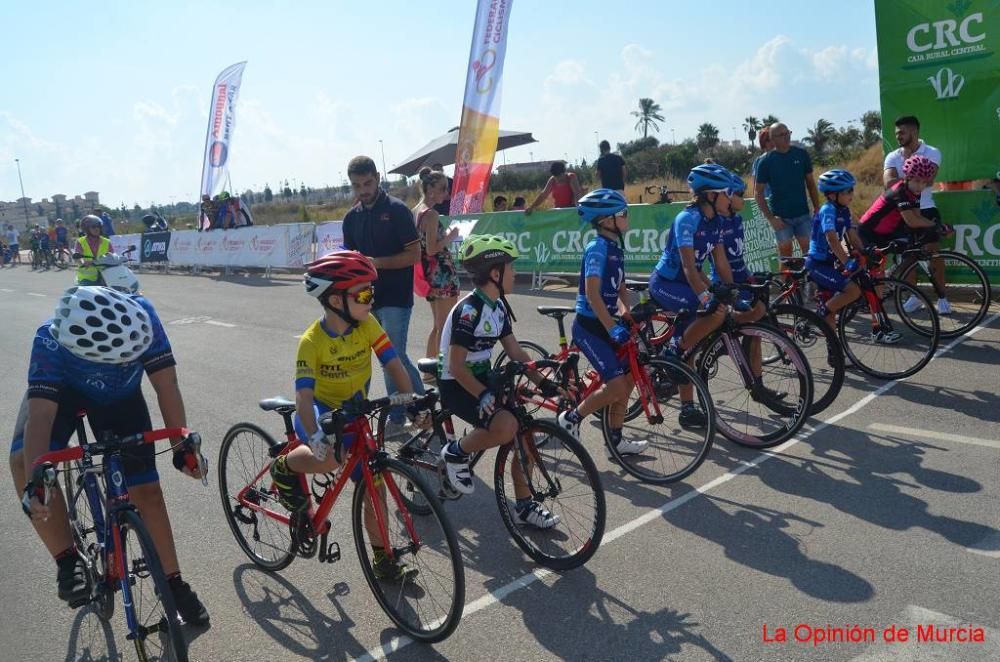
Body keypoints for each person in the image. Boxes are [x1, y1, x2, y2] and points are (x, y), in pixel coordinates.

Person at [10, 285, 208, 623]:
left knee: (149, 493)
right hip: (63, 395)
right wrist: (36, 480)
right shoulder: (49, 339)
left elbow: (166, 385)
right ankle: (67, 559)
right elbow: (41, 415)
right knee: (23, 462)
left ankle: (173, 584)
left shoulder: (144, 318)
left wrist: (181, 447)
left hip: (121, 400)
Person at [268, 251, 422, 580]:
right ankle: (284, 466)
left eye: (371, 292)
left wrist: (411, 402)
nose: (371, 300)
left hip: (355, 412)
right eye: (364, 294)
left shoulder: (367, 324)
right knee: (329, 459)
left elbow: (394, 366)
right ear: (337, 300)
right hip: (319, 412)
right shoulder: (312, 341)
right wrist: (315, 437)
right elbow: (303, 398)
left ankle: (382, 559)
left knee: (375, 486)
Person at [436, 235, 564, 527]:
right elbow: (457, 367)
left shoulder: (497, 307)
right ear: (495, 273)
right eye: (510, 267)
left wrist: (544, 382)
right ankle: (456, 452)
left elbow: (515, 351)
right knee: (506, 426)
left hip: (480, 374)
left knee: (525, 429)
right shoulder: (470, 311)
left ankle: (524, 506)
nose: (515, 273)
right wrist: (482, 395)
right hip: (457, 381)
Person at [554, 190, 648, 456]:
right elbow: (593, 295)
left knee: (629, 378)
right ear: (607, 221)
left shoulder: (616, 248)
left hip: (606, 323)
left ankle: (615, 441)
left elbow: (620, 287)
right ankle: (571, 418)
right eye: (623, 214)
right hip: (589, 327)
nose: (628, 218)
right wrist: (612, 327)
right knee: (616, 384)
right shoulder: (597, 248)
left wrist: (626, 312)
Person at [342, 156, 425, 437]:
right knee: (384, 357)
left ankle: (403, 415)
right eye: (356, 185)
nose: (363, 190)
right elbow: (350, 262)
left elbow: (415, 255)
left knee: (394, 356)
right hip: (365, 297)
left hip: (396, 296)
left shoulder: (397, 210)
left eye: (367, 183)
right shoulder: (351, 218)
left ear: (377, 177)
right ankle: (423, 407)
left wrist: (374, 262)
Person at [646, 164, 734, 428]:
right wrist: (707, 298)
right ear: (710, 195)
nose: (730, 197)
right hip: (667, 283)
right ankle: (672, 350)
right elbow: (687, 267)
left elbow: (720, 263)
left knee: (690, 347)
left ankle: (687, 409)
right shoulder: (688, 219)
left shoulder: (716, 221)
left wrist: (734, 291)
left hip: (690, 284)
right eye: (726, 192)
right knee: (713, 313)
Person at [882, 115, 949, 314]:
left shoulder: (933, 152)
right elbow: (888, 184)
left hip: (926, 208)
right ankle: (914, 296)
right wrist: (911, 180)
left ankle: (943, 298)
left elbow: (928, 180)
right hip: (902, 212)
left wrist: (903, 181)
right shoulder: (892, 156)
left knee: (933, 254)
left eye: (901, 133)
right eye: (896, 134)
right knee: (906, 256)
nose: (898, 137)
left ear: (914, 132)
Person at [413, 169, 461, 384]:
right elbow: (432, 249)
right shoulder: (431, 214)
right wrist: (450, 237)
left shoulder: (417, 210)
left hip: (430, 275)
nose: (446, 193)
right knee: (445, 325)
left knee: (438, 324)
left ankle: (430, 368)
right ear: (430, 189)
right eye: (442, 188)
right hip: (440, 274)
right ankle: (438, 369)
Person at [805, 170, 866, 335]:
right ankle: (817, 317)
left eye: (852, 189)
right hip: (817, 264)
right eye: (847, 191)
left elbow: (852, 235)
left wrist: (864, 250)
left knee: (831, 310)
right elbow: (832, 239)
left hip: (829, 263)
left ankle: (835, 353)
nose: (851, 194)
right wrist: (847, 261)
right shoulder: (827, 210)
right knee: (853, 291)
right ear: (832, 195)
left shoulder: (844, 210)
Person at [858, 155, 945, 267]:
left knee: (910, 250)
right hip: (868, 233)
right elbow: (912, 221)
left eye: (924, 182)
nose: (921, 186)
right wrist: (936, 225)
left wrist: (936, 227)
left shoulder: (914, 191)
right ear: (908, 177)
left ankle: (898, 279)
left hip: (884, 233)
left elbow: (917, 217)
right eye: (917, 181)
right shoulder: (899, 192)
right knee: (877, 275)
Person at [754, 123, 821, 260]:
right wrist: (771, 218)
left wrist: (817, 207)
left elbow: (811, 183)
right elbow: (758, 193)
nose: (786, 137)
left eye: (788, 133)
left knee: (809, 254)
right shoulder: (765, 162)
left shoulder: (801, 154)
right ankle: (785, 282)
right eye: (781, 135)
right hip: (781, 218)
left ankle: (809, 281)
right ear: (772, 139)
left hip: (803, 214)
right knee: (786, 256)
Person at [75, 215, 111, 285]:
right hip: (87, 278)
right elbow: (78, 257)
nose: (96, 229)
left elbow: (112, 256)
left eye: (98, 226)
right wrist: (83, 263)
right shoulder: (80, 241)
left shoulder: (107, 242)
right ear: (87, 229)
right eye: (93, 227)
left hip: (105, 276)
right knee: (88, 295)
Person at [750, 127, 773, 197]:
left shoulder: (784, 159)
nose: (772, 142)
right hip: (766, 202)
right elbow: (756, 187)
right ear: (763, 142)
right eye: (768, 139)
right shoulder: (758, 161)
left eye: (774, 138)